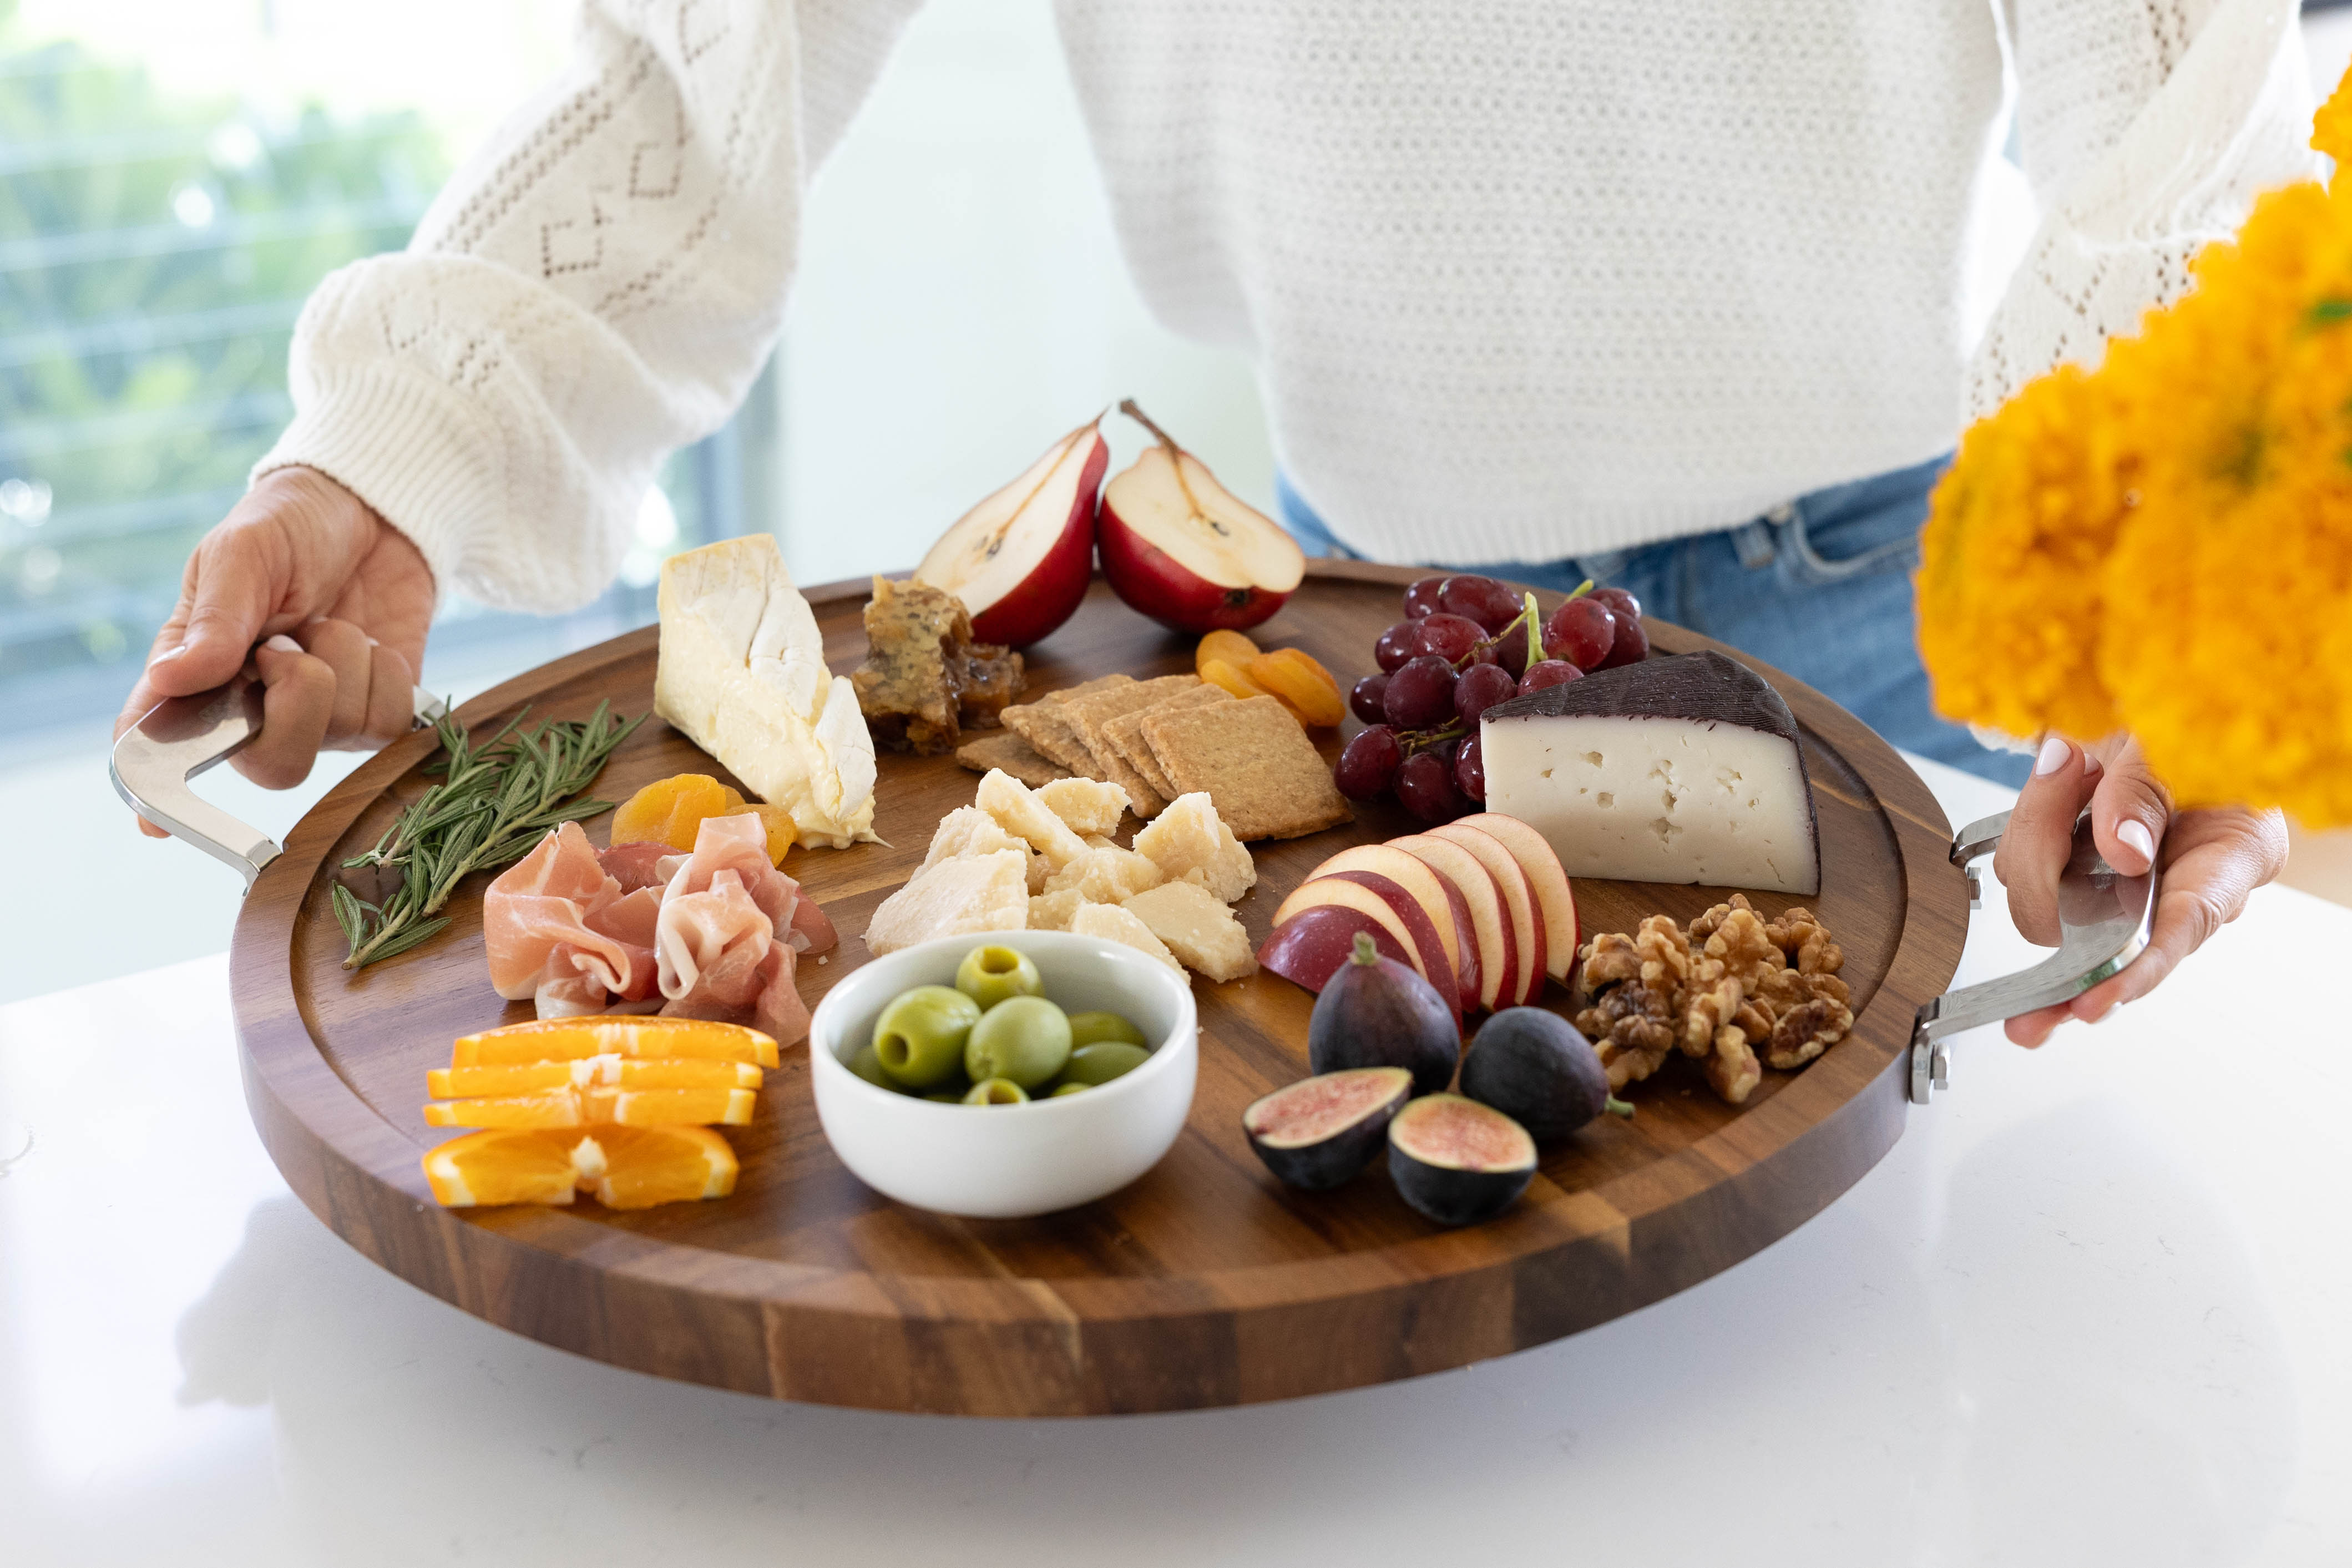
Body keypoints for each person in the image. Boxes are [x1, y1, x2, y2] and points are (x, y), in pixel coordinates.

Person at [116, 0, 2297, 1043]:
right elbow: (703, 66)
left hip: (1917, 598)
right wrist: (392, 453)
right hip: (1380, 622)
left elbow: (2176, 101)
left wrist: (2174, 622)